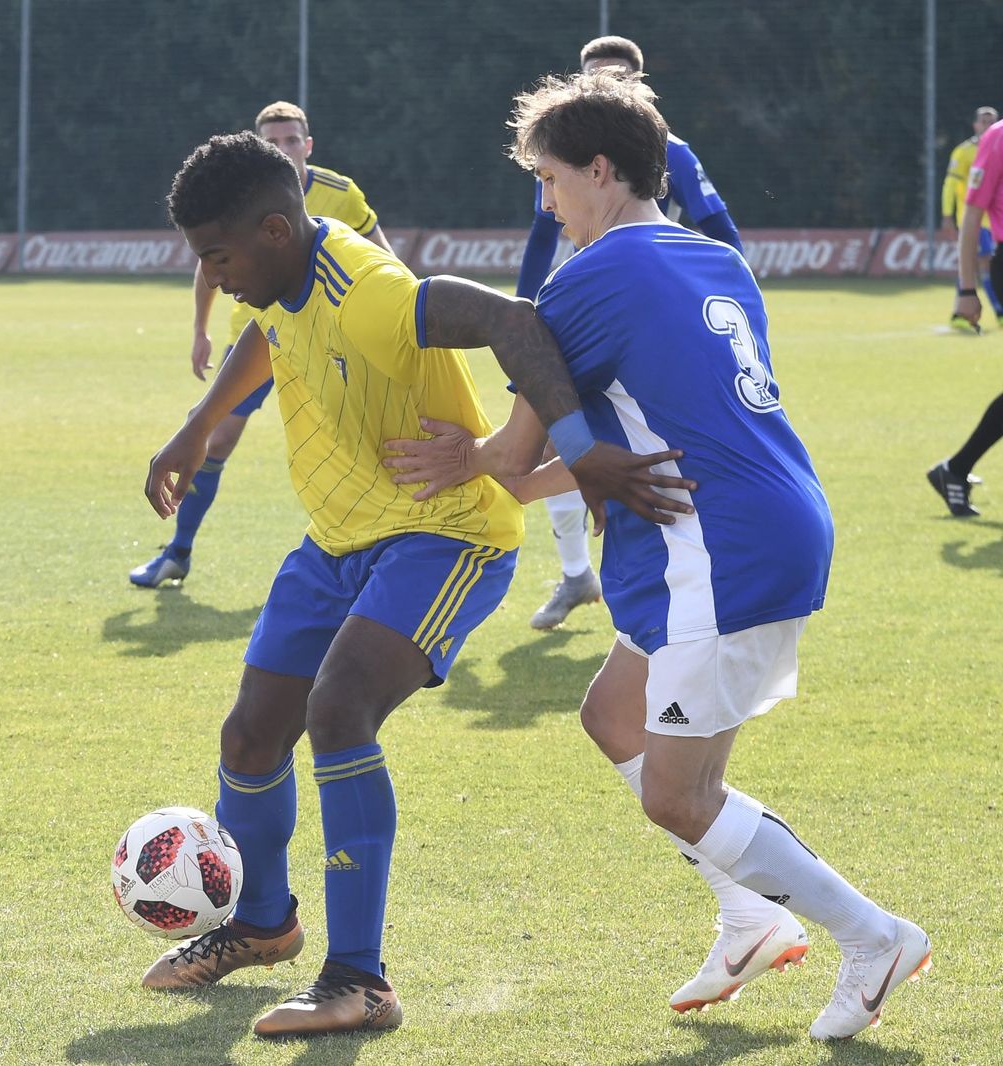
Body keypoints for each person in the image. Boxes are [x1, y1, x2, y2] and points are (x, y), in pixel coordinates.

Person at [386, 71, 929, 1042]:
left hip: (717, 544)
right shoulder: (712, 259)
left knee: (681, 794)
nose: (545, 203)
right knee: (610, 714)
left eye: (550, 180)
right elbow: (652, 434)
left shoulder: (580, 283)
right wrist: (546, 472)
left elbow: (514, 463)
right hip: (762, 510)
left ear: (600, 170)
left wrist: (458, 460)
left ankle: (872, 934)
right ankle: (750, 915)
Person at [139, 130, 690, 1038]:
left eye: (217, 257)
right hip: (338, 537)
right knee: (249, 735)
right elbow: (263, 335)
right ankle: (261, 924)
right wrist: (200, 427)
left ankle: (361, 980)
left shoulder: (371, 292)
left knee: (339, 709)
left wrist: (584, 454)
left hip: (446, 531)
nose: (212, 275)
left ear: (275, 231)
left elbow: (515, 322)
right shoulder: (277, 277)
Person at [517, 35, 744, 631]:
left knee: (569, 437)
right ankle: (575, 574)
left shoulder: (671, 153)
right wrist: (524, 327)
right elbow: (543, 239)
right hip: (600, 293)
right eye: (592, 77)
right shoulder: (562, 158)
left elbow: (721, 230)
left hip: (645, 310)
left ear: (641, 83)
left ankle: (668, 586)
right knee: (554, 438)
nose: (604, 87)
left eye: (616, 77)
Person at [129, 100, 393, 588]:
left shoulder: (339, 193)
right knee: (218, 439)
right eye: (272, 141)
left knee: (353, 440)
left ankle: (369, 554)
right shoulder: (239, 197)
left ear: (308, 145)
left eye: (292, 139)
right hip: (257, 335)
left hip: (328, 337)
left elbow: (384, 258)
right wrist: (199, 331)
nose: (285, 148)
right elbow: (211, 263)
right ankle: (177, 551)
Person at [942, 106, 1002, 331]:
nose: (987, 125)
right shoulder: (965, 151)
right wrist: (947, 214)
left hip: (990, 223)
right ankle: (989, 308)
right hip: (976, 221)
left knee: (984, 263)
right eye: (983, 121)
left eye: (991, 121)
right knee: (983, 264)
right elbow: (950, 185)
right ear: (975, 125)